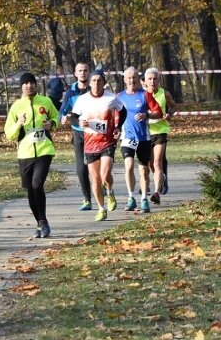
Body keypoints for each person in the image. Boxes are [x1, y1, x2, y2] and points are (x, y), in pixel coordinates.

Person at [4, 73, 58, 238]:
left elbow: (56, 117)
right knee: (30, 190)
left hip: (44, 150)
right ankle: (40, 223)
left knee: (37, 184)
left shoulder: (46, 101)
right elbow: (9, 134)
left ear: (36, 85)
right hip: (25, 153)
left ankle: (42, 221)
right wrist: (18, 124)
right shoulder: (16, 107)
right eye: (26, 83)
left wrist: (52, 123)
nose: (29, 86)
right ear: (21, 86)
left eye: (32, 83)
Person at [70, 70, 127, 222]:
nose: (96, 83)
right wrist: (79, 122)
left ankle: (110, 191)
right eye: (93, 80)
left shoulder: (111, 98)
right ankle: (101, 209)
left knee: (105, 174)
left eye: (99, 81)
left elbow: (123, 111)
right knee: (95, 179)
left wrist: (117, 127)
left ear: (104, 82)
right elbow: (73, 117)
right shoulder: (82, 100)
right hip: (90, 143)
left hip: (107, 141)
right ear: (89, 83)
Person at [116, 67, 152, 212]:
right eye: (129, 78)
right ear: (124, 80)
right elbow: (114, 116)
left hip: (143, 137)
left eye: (134, 78)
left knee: (144, 170)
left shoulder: (146, 95)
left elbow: (158, 112)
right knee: (129, 166)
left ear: (138, 79)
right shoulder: (119, 97)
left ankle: (144, 198)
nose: (132, 80)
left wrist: (146, 115)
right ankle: (131, 197)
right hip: (127, 137)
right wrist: (116, 129)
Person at [59, 61, 92, 211]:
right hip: (77, 131)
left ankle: (103, 186)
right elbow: (62, 111)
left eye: (85, 70)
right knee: (81, 166)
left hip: (94, 132)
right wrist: (63, 117)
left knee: (95, 164)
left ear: (89, 72)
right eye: (80, 70)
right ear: (75, 74)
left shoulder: (94, 88)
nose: (83, 73)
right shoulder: (71, 92)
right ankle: (87, 198)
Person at [144, 68, 175, 204]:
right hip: (145, 132)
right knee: (150, 163)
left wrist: (169, 114)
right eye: (149, 79)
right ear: (145, 81)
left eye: (155, 79)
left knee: (157, 161)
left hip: (161, 131)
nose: (152, 81)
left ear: (159, 80)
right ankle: (161, 176)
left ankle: (157, 192)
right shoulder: (142, 95)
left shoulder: (165, 94)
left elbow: (173, 106)